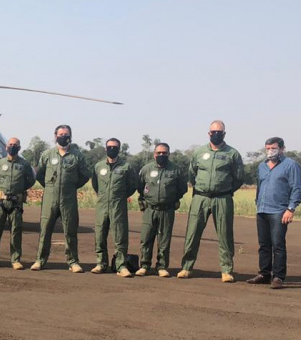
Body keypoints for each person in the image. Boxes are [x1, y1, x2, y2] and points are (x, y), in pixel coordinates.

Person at [178, 120, 244, 282]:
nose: (216, 134)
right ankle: (187, 267)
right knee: (192, 233)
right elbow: (191, 174)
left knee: (225, 234)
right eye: (213, 132)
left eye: (219, 132)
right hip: (200, 197)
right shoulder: (199, 152)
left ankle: (226, 270)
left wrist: (225, 190)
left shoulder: (232, 154)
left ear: (224, 134)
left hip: (222, 198)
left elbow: (239, 178)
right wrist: (200, 188)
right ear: (208, 133)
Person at [31, 124, 91, 272]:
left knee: (70, 230)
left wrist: (70, 186)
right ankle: (40, 260)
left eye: (66, 134)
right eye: (61, 134)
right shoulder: (47, 155)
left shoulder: (77, 156)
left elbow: (84, 175)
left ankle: (73, 262)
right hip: (50, 197)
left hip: (68, 197)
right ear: (55, 136)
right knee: (45, 229)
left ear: (70, 136)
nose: (63, 136)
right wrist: (50, 187)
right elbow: (40, 175)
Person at [246, 137, 301, 289]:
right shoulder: (262, 166)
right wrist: (257, 202)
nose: (270, 151)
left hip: (279, 210)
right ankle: (264, 274)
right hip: (262, 210)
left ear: (282, 149)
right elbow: (259, 186)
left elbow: (297, 188)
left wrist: (291, 209)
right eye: (267, 148)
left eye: (273, 148)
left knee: (278, 244)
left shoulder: (291, 165)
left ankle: (278, 277)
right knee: (264, 244)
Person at [136, 143, 188, 277]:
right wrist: (144, 200)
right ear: (154, 154)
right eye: (158, 153)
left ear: (169, 154)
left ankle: (162, 266)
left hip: (167, 210)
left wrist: (172, 199)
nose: (161, 155)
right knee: (146, 238)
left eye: (164, 153)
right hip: (150, 209)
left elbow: (182, 188)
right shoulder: (146, 169)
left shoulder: (175, 170)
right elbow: (140, 186)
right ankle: (144, 265)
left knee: (164, 239)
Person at [90, 138, 138, 277]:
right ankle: (101, 263)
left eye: (115, 147)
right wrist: (103, 195)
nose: (112, 149)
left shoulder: (126, 167)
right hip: (102, 205)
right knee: (100, 235)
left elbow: (132, 185)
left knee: (120, 235)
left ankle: (121, 265)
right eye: (109, 147)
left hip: (118, 205)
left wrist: (121, 196)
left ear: (119, 149)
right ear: (105, 149)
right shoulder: (98, 166)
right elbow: (95, 184)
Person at [0, 137, 36, 269]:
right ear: (6, 146)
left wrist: (19, 190)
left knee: (16, 231)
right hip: (0, 202)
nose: (12, 146)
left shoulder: (24, 165)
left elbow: (30, 180)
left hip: (16, 203)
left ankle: (15, 260)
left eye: (15, 145)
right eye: (10, 144)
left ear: (19, 148)